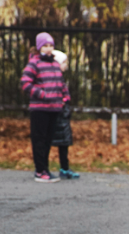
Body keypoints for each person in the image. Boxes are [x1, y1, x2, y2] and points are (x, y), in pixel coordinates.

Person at [20, 32, 69, 183]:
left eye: (51, 46)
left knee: (48, 140)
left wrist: (64, 97)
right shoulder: (34, 63)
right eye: (45, 46)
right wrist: (42, 94)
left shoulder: (55, 64)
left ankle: (45, 169)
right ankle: (40, 170)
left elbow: (60, 83)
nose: (49, 49)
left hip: (54, 108)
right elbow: (25, 83)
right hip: (40, 108)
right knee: (39, 139)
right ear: (39, 47)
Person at [50, 50, 79, 180]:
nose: (66, 65)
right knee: (57, 142)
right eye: (64, 62)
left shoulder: (60, 78)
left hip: (63, 114)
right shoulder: (54, 78)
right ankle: (60, 168)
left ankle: (64, 167)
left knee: (64, 143)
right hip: (59, 114)